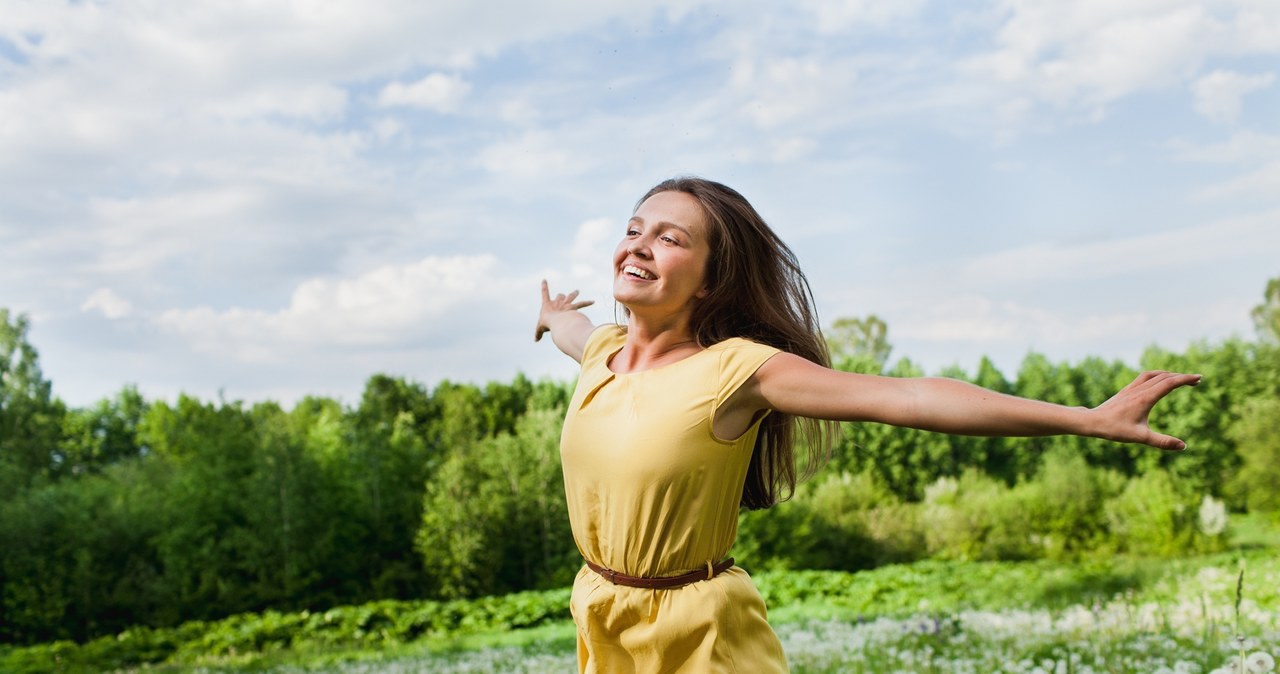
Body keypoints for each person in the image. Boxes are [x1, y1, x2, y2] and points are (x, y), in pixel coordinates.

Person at [534, 176, 1200, 673]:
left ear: (711, 281)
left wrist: (1083, 419)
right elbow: (571, 327)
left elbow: (909, 397)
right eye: (634, 228)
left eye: (670, 238)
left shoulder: (736, 371)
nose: (640, 245)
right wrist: (552, 313)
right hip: (602, 613)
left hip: (698, 633)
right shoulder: (600, 352)